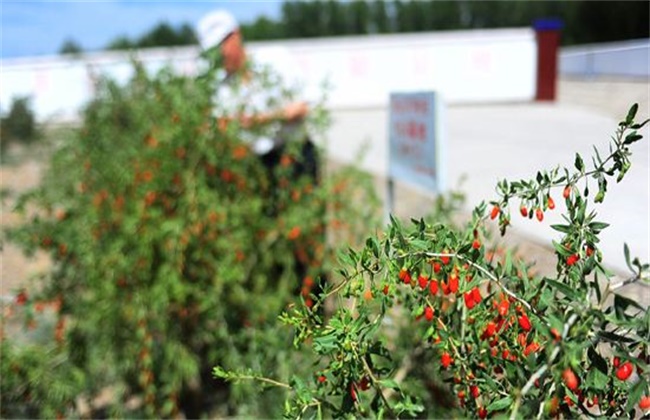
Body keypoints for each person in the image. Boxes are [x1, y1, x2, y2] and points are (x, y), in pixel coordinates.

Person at [196, 10, 318, 180]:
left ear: (236, 35)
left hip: (297, 155)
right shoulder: (222, 91)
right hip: (259, 167)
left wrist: (259, 120)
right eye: (213, 51)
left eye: (220, 46)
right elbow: (221, 129)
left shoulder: (276, 59)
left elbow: (303, 108)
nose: (220, 55)